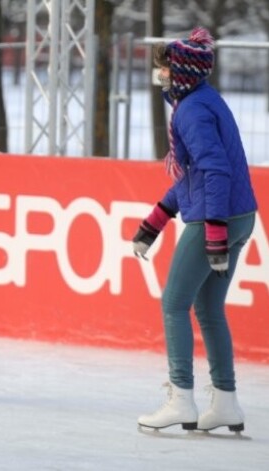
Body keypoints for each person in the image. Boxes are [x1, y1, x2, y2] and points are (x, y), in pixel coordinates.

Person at [134, 28, 258, 434]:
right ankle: (226, 404)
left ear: (181, 72)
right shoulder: (203, 100)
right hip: (239, 213)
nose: (160, 75)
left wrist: (215, 231)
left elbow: (216, 169)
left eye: (164, 67)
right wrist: (157, 220)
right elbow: (195, 176)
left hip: (217, 216)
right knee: (208, 309)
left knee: (173, 303)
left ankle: (181, 398)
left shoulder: (190, 111)